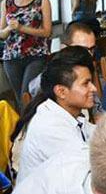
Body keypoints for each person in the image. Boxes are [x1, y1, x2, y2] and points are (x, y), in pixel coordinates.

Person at [13, 46, 96, 183]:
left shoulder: (69, 112)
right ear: (61, 91)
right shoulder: (51, 127)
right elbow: (89, 172)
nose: (94, 88)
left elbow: (98, 134)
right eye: (86, 84)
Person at [0, 0, 52, 108]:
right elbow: (1, 34)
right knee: (19, 97)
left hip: (35, 55)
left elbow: (47, 32)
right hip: (11, 57)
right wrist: (10, 28)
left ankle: (32, 126)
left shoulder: (42, 1)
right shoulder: (6, 3)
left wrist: (22, 28)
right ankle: (24, 127)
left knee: (27, 94)